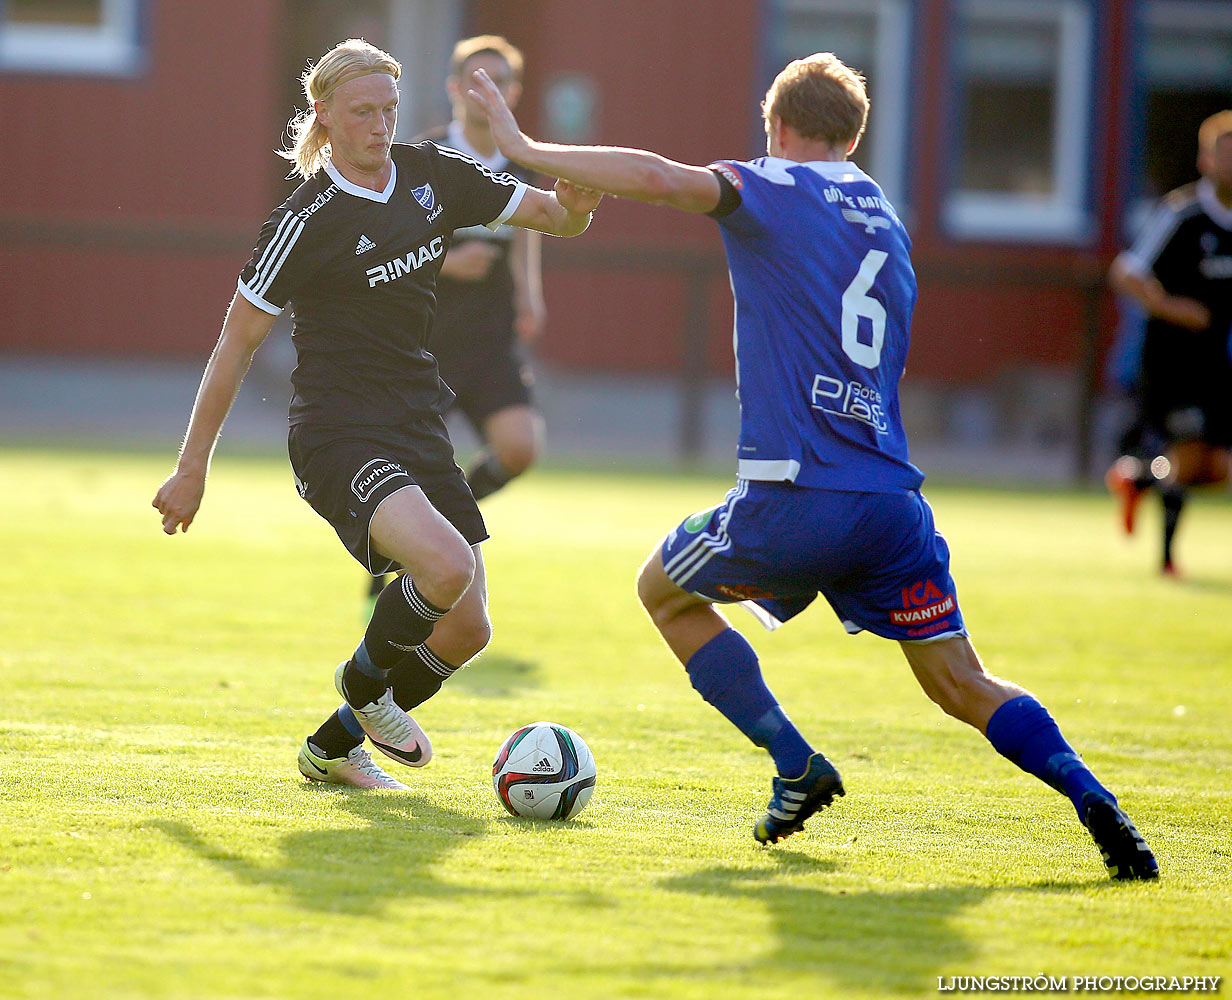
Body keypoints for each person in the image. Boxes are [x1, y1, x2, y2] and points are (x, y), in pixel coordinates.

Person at [467, 53, 1158, 879]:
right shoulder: (887, 220)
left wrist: (527, 147)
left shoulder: (774, 186)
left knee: (663, 591)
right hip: (892, 505)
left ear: (778, 128)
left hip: (792, 493)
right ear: (854, 134)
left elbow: (657, 176)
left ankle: (795, 765)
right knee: (962, 683)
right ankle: (1093, 799)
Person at [152, 38, 599, 790]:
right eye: (362, 112)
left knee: (468, 627)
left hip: (415, 421)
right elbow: (234, 344)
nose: (379, 125)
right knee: (446, 565)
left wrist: (579, 207)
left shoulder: (432, 173)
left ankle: (331, 749)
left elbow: (555, 218)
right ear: (322, 115)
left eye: (389, 109)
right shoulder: (305, 219)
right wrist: (191, 468)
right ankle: (363, 691)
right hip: (338, 433)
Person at [364, 34, 547, 611]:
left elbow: (525, 238)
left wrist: (530, 297)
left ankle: (437, 521)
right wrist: (446, 262)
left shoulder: (521, 163)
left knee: (520, 448)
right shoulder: (423, 158)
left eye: (496, 79)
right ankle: (397, 552)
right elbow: (388, 246)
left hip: (491, 339)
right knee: (409, 464)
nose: (482, 90)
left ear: (512, 92)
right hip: (427, 339)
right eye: (473, 79)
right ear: (452, 88)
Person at [1106, 110, 1232, 575]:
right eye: (1226, 154)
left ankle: (1136, 479)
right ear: (1206, 160)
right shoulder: (1182, 214)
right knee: (1187, 454)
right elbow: (1126, 273)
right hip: (1171, 360)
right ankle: (1167, 561)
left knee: (1215, 470)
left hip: (1218, 359)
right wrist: (1172, 307)